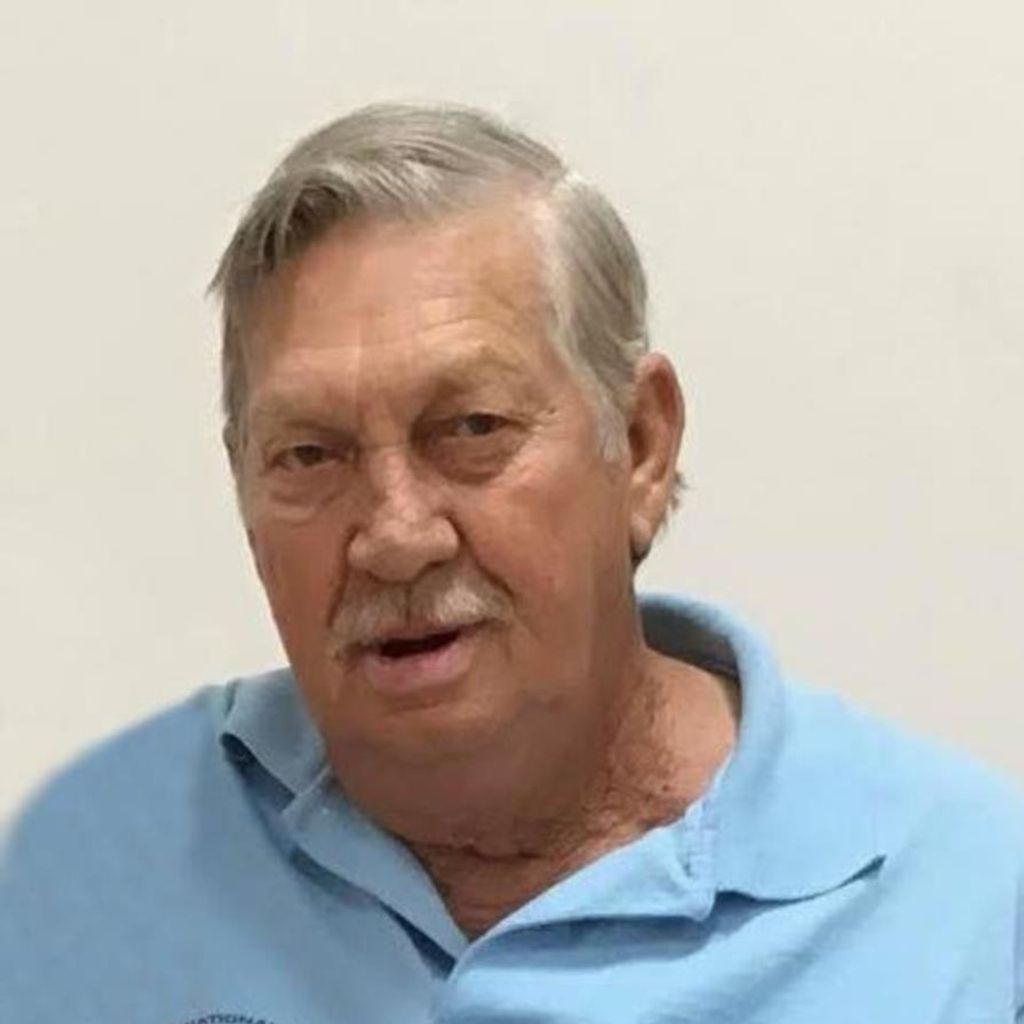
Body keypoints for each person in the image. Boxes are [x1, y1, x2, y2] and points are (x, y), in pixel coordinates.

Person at [2, 103, 1021, 1024]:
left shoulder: (966, 905)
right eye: (310, 454)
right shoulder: (101, 868)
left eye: (471, 428)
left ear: (641, 444)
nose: (396, 534)